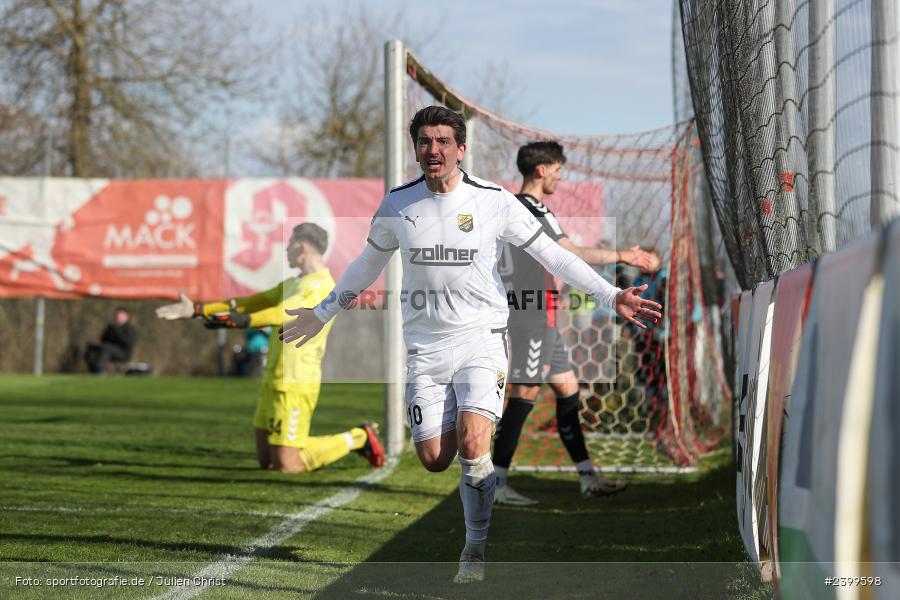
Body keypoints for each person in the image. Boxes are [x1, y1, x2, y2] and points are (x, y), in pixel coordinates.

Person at [279, 106, 662, 583]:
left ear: (462, 149)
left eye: (443, 141)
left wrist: (610, 294)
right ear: (415, 148)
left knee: (474, 442)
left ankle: (474, 551)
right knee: (435, 458)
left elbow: (552, 255)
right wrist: (322, 313)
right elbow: (366, 265)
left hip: (483, 338)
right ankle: (471, 505)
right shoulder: (398, 205)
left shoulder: (495, 200)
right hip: (425, 348)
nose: (433, 150)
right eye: (424, 141)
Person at [494, 140, 659, 506]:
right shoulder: (530, 206)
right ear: (541, 170)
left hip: (542, 318)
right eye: (556, 169)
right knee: (524, 396)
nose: (559, 176)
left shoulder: (521, 206)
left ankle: (588, 477)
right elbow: (570, 252)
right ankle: (495, 483)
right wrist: (623, 255)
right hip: (530, 318)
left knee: (568, 392)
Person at [156, 222, 384, 474]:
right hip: (274, 378)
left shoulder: (322, 286)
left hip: (296, 381)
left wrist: (243, 321)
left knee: (288, 464)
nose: (285, 250)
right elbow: (250, 302)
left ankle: (359, 437)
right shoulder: (294, 283)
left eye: (288, 244)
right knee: (267, 461)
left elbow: (282, 313)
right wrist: (199, 310)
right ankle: (350, 439)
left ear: (301, 247)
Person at [84, 306, 137, 375]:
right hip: (108, 349)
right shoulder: (111, 327)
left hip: (123, 352)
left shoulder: (129, 329)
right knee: (91, 349)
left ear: (126, 317)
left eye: (120, 316)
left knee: (107, 348)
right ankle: (93, 370)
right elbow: (103, 340)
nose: (118, 318)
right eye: (117, 316)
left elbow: (128, 343)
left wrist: (116, 331)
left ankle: (101, 370)